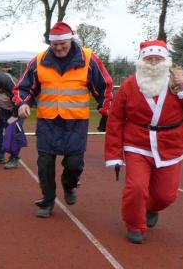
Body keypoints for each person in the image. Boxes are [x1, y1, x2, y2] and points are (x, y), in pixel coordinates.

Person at [104, 40, 183, 243]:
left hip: (170, 146)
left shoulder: (179, 81)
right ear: (141, 61)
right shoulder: (129, 85)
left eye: (158, 58)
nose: (153, 62)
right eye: (149, 58)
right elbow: (115, 120)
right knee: (136, 188)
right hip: (137, 144)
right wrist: (114, 154)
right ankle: (134, 225)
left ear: (165, 60)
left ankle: (151, 207)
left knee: (165, 196)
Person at [15, 21, 113, 217]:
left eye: (63, 44)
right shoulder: (39, 60)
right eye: (55, 44)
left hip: (75, 122)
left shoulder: (88, 59)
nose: (58, 48)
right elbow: (23, 87)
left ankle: (69, 185)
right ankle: (48, 201)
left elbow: (104, 87)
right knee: (45, 164)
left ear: (71, 40)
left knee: (74, 164)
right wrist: (23, 103)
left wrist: (106, 110)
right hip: (48, 121)